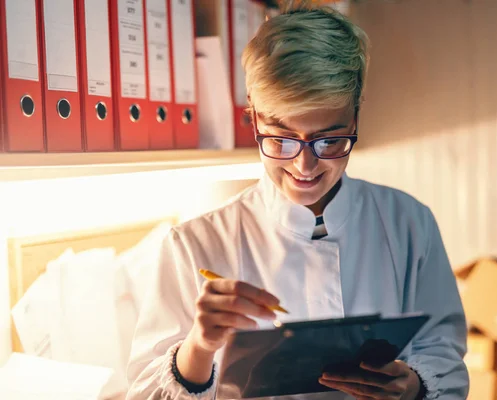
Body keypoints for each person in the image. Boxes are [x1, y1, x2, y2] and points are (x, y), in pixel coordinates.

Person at [126, 4, 469, 400]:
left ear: (356, 117)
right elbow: (144, 394)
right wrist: (198, 349)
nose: (304, 165)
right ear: (253, 118)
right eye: (280, 139)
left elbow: (446, 360)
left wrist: (413, 387)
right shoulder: (194, 244)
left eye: (330, 140)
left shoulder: (409, 223)